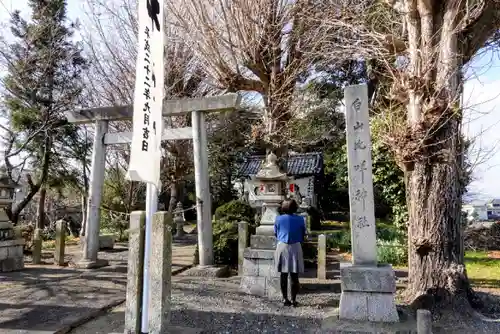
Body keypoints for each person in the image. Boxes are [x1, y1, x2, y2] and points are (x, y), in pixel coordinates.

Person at [274, 199, 306, 307]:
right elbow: (303, 234)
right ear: (295, 207)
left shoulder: (278, 218)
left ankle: (284, 298)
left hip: (282, 245)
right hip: (295, 245)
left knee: (283, 274)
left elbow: (276, 233)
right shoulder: (300, 219)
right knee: (294, 274)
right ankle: (293, 299)